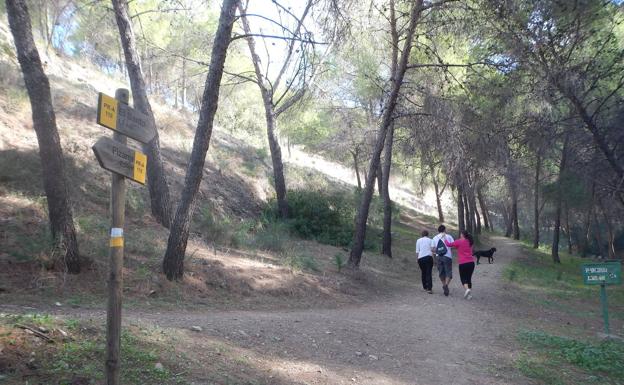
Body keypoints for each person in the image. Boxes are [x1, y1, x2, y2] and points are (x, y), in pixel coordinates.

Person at [443, 230, 476, 300]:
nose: (460, 235)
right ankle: (469, 294)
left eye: (461, 234)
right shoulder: (470, 241)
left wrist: (444, 238)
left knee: (463, 278)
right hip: (471, 263)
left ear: (462, 235)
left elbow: (448, 244)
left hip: (463, 263)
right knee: (469, 278)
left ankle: (467, 289)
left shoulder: (459, 241)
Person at [431, 225, 454, 296]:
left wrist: (438, 251)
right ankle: (446, 285)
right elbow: (453, 245)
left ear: (438, 230)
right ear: (444, 230)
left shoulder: (435, 238)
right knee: (448, 272)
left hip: (438, 257)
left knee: (441, 272)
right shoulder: (449, 236)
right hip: (447, 256)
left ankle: (444, 284)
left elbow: (432, 249)